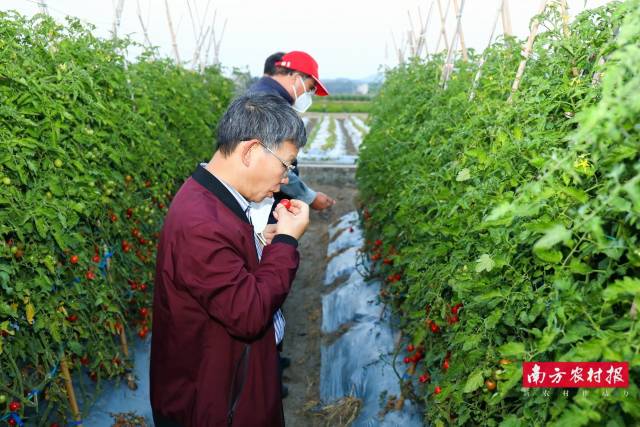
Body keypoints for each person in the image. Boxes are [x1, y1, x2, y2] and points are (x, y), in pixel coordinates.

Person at [150, 93, 310, 427]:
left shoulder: (215, 202)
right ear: (251, 150)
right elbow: (248, 313)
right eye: (286, 164)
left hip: (229, 384)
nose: (285, 179)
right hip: (217, 404)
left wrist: (260, 248)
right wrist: (285, 241)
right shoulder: (201, 223)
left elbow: (226, 274)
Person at [248, 51, 335, 212]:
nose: (306, 95)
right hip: (261, 203)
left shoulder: (259, 94)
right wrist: (309, 197)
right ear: (296, 78)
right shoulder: (270, 103)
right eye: (309, 88)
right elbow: (273, 162)